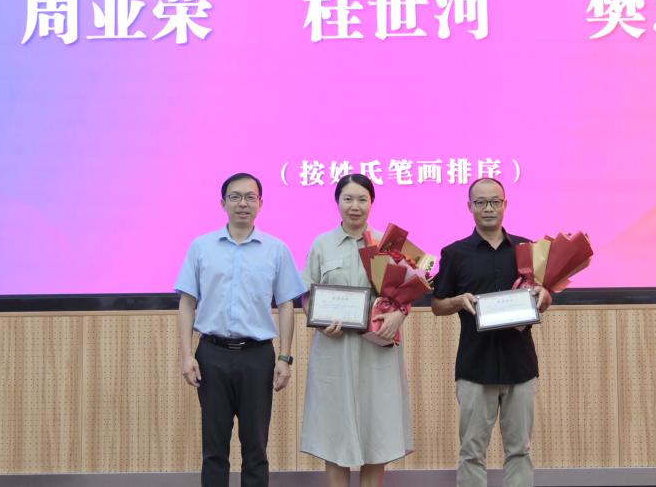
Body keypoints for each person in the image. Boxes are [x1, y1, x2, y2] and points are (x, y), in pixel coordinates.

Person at [175, 172, 306, 487]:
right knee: (214, 449)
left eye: (250, 197)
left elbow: (287, 305)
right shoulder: (201, 247)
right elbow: (187, 303)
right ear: (223, 203)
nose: (243, 203)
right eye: (235, 197)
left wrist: (285, 358)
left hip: (257, 357)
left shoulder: (276, 249)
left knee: (256, 448)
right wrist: (187, 355)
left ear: (260, 203)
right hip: (212, 354)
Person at [431, 177, 552, 487]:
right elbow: (437, 305)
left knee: (520, 450)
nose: (488, 208)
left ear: (505, 204)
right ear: (469, 207)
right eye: (481, 202)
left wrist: (545, 295)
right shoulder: (455, 253)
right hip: (475, 366)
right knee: (472, 452)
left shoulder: (527, 249)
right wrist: (457, 301)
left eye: (495, 202)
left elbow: (544, 295)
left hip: (520, 365)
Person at [301, 173, 413, 487]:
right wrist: (320, 322)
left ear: (372, 203)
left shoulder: (388, 244)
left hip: (377, 351)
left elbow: (412, 287)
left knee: (377, 430)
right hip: (334, 351)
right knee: (335, 432)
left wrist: (399, 315)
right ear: (337, 202)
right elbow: (307, 297)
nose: (355, 206)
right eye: (348, 199)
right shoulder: (321, 244)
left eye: (362, 199)